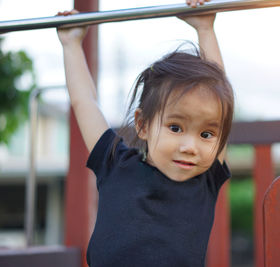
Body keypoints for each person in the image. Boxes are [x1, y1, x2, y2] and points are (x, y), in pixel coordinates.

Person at [57, 0, 234, 266]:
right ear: (142, 124)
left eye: (206, 135)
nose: (190, 146)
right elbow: (85, 102)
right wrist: (71, 45)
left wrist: (205, 29)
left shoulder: (205, 179)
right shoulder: (115, 162)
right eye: (175, 128)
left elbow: (218, 98)